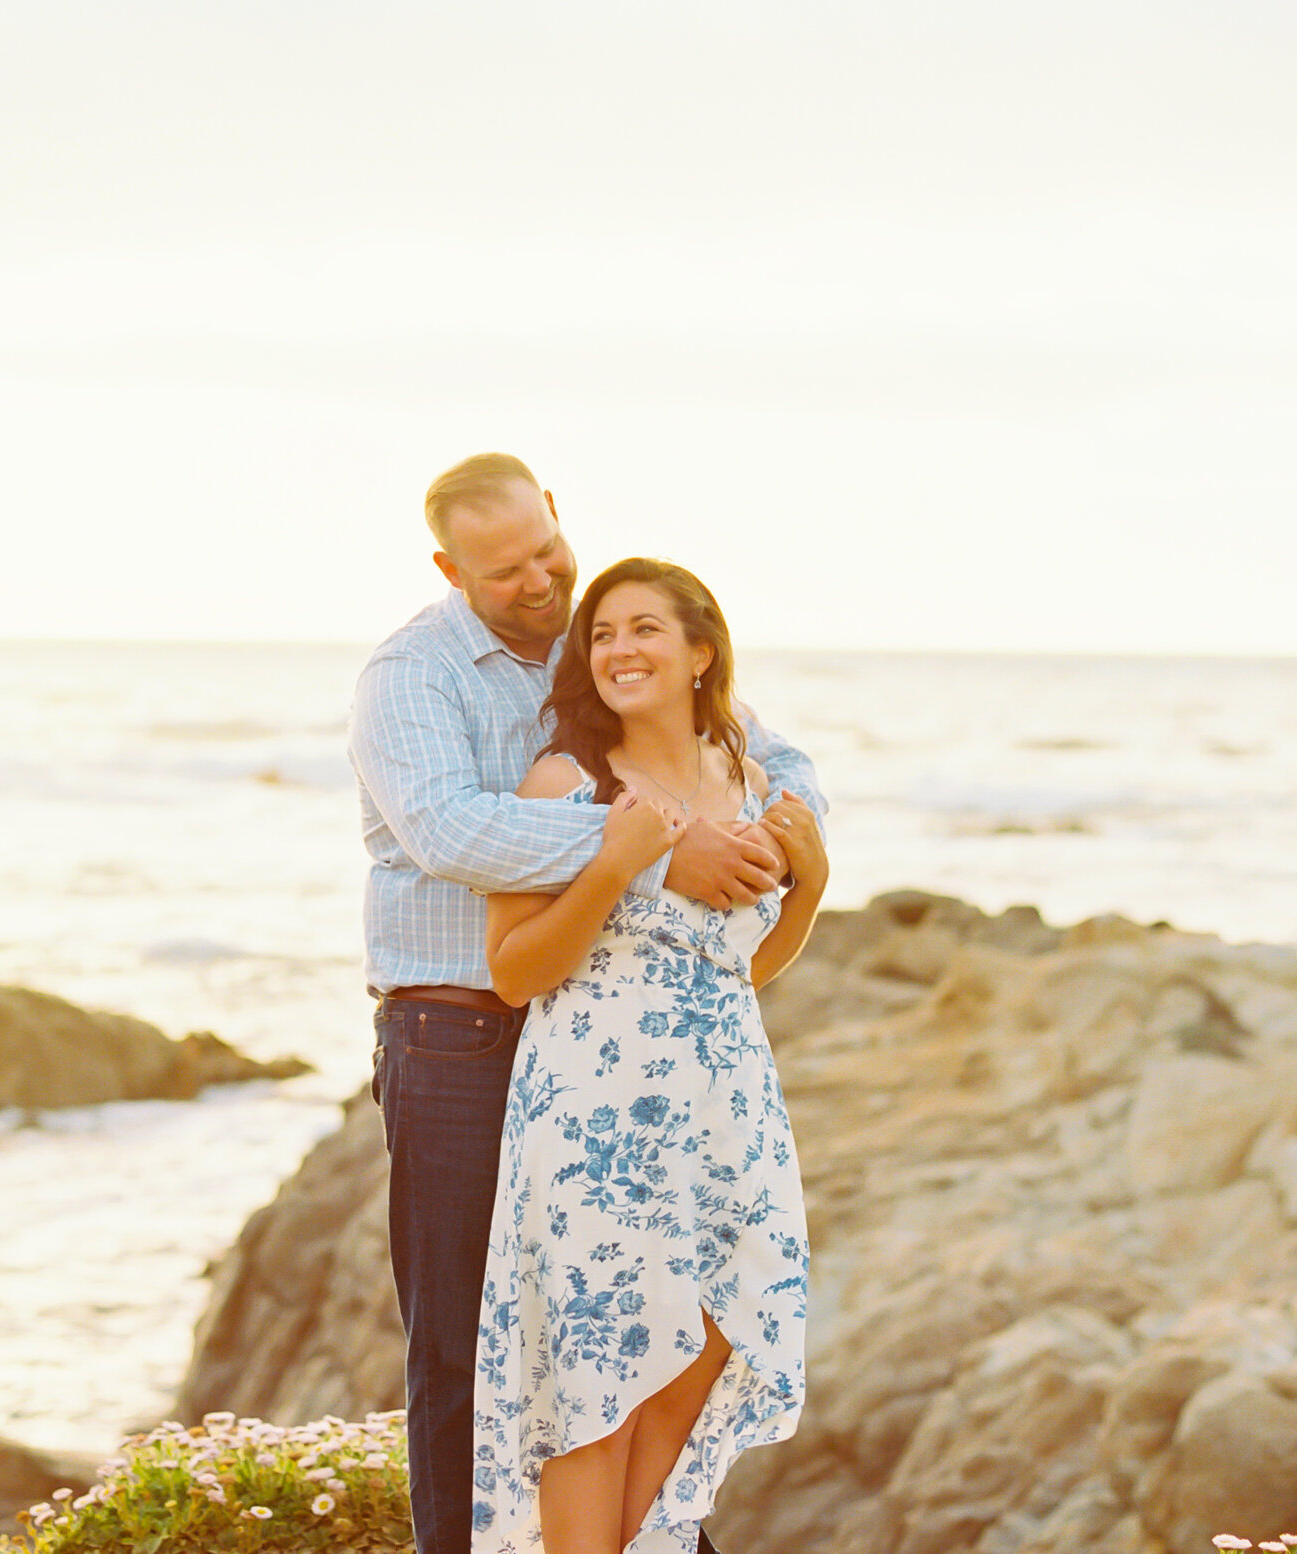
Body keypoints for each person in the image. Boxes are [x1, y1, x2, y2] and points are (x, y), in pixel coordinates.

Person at [349, 454, 824, 1554]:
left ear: (560, 519)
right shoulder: (414, 674)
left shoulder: (600, 639)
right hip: (461, 1030)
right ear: (449, 568)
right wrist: (655, 850)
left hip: (625, 1048)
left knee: (659, 1335)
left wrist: (790, 842)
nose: (538, 580)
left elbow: (776, 764)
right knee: (477, 1349)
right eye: (506, 569)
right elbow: (451, 834)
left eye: (546, 551)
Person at [473, 557, 824, 1554]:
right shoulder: (566, 783)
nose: (617, 650)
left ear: (700, 650)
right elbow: (514, 969)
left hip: (728, 1112)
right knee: (595, 1390)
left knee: (690, 1372)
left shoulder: (753, 785)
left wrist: (809, 889)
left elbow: (742, 967)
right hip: (594, 1120)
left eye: (642, 630)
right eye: (601, 635)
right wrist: (614, 862)